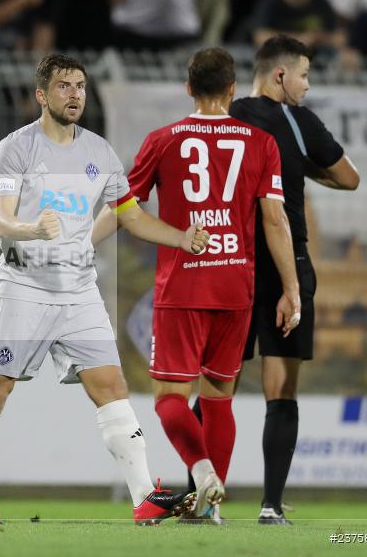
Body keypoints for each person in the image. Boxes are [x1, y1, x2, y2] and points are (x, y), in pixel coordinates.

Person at [0, 53, 209, 526]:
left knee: (111, 386)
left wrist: (180, 238)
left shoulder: (100, 152)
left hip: (78, 291)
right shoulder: (16, 147)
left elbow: (129, 215)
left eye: (80, 86)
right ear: (42, 95)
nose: (75, 95)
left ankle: (143, 498)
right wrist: (31, 229)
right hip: (23, 287)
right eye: (64, 86)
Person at [127, 48, 301, 524]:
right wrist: (291, 289)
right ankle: (209, 511)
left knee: (168, 397)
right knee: (218, 397)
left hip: (183, 283)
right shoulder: (261, 142)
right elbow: (274, 218)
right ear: (232, 89)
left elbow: (129, 208)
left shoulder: (162, 140)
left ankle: (202, 472)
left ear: (188, 87)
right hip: (235, 286)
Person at [230, 35, 360, 524]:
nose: (307, 85)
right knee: (280, 389)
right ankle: (270, 505)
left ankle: (200, 495)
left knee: (219, 385)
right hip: (287, 262)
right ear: (281, 75)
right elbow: (350, 178)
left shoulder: (231, 114)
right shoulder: (297, 121)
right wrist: (301, 168)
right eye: (304, 75)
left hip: (233, 261)